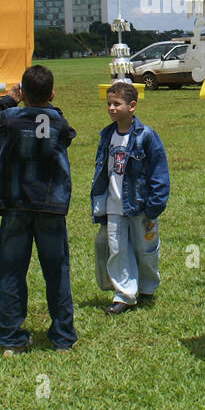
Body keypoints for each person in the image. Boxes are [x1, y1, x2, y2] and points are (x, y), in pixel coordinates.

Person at [0, 65, 77, 355]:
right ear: (52, 93)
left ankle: (11, 337)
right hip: (50, 204)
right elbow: (64, 132)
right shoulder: (58, 122)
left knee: (12, 270)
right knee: (57, 270)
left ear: (23, 93)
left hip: (15, 203)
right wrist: (47, 106)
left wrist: (7, 101)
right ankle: (62, 336)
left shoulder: (8, 118)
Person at [89, 81, 170, 315]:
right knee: (117, 250)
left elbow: (159, 170)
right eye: (109, 104)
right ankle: (124, 294)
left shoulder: (146, 136)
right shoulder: (106, 136)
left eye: (117, 104)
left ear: (132, 106)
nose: (111, 108)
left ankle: (147, 287)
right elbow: (101, 172)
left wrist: (156, 203)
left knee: (145, 249)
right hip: (114, 206)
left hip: (141, 205)